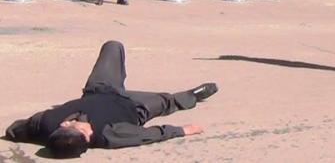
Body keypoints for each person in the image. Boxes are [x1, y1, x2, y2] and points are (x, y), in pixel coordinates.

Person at [4, 41, 217, 158]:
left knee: (112, 46)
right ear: (88, 139)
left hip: (100, 89)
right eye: (87, 133)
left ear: (63, 125)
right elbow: (148, 135)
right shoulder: (109, 135)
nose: (88, 129)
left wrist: (13, 134)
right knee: (166, 101)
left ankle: (118, 78)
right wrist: (184, 130)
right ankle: (194, 95)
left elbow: (17, 129)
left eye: (75, 126)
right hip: (134, 106)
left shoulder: (44, 124)